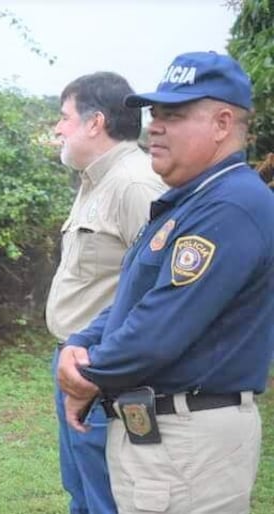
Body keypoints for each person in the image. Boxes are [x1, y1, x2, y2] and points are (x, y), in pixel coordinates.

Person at [57, 51, 274, 514]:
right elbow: (134, 300)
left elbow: (160, 327)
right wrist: (81, 342)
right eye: (155, 113)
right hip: (161, 436)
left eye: (173, 115)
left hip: (189, 442)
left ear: (221, 124)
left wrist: (87, 374)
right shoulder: (188, 201)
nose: (154, 125)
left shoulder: (229, 207)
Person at [46, 72, 166, 514]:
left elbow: (158, 289)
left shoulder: (136, 185)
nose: (58, 128)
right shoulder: (95, 181)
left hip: (104, 369)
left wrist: (106, 364)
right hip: (72, 359)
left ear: (95, 123)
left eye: (64, 117)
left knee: (106, 495)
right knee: (80, 487)